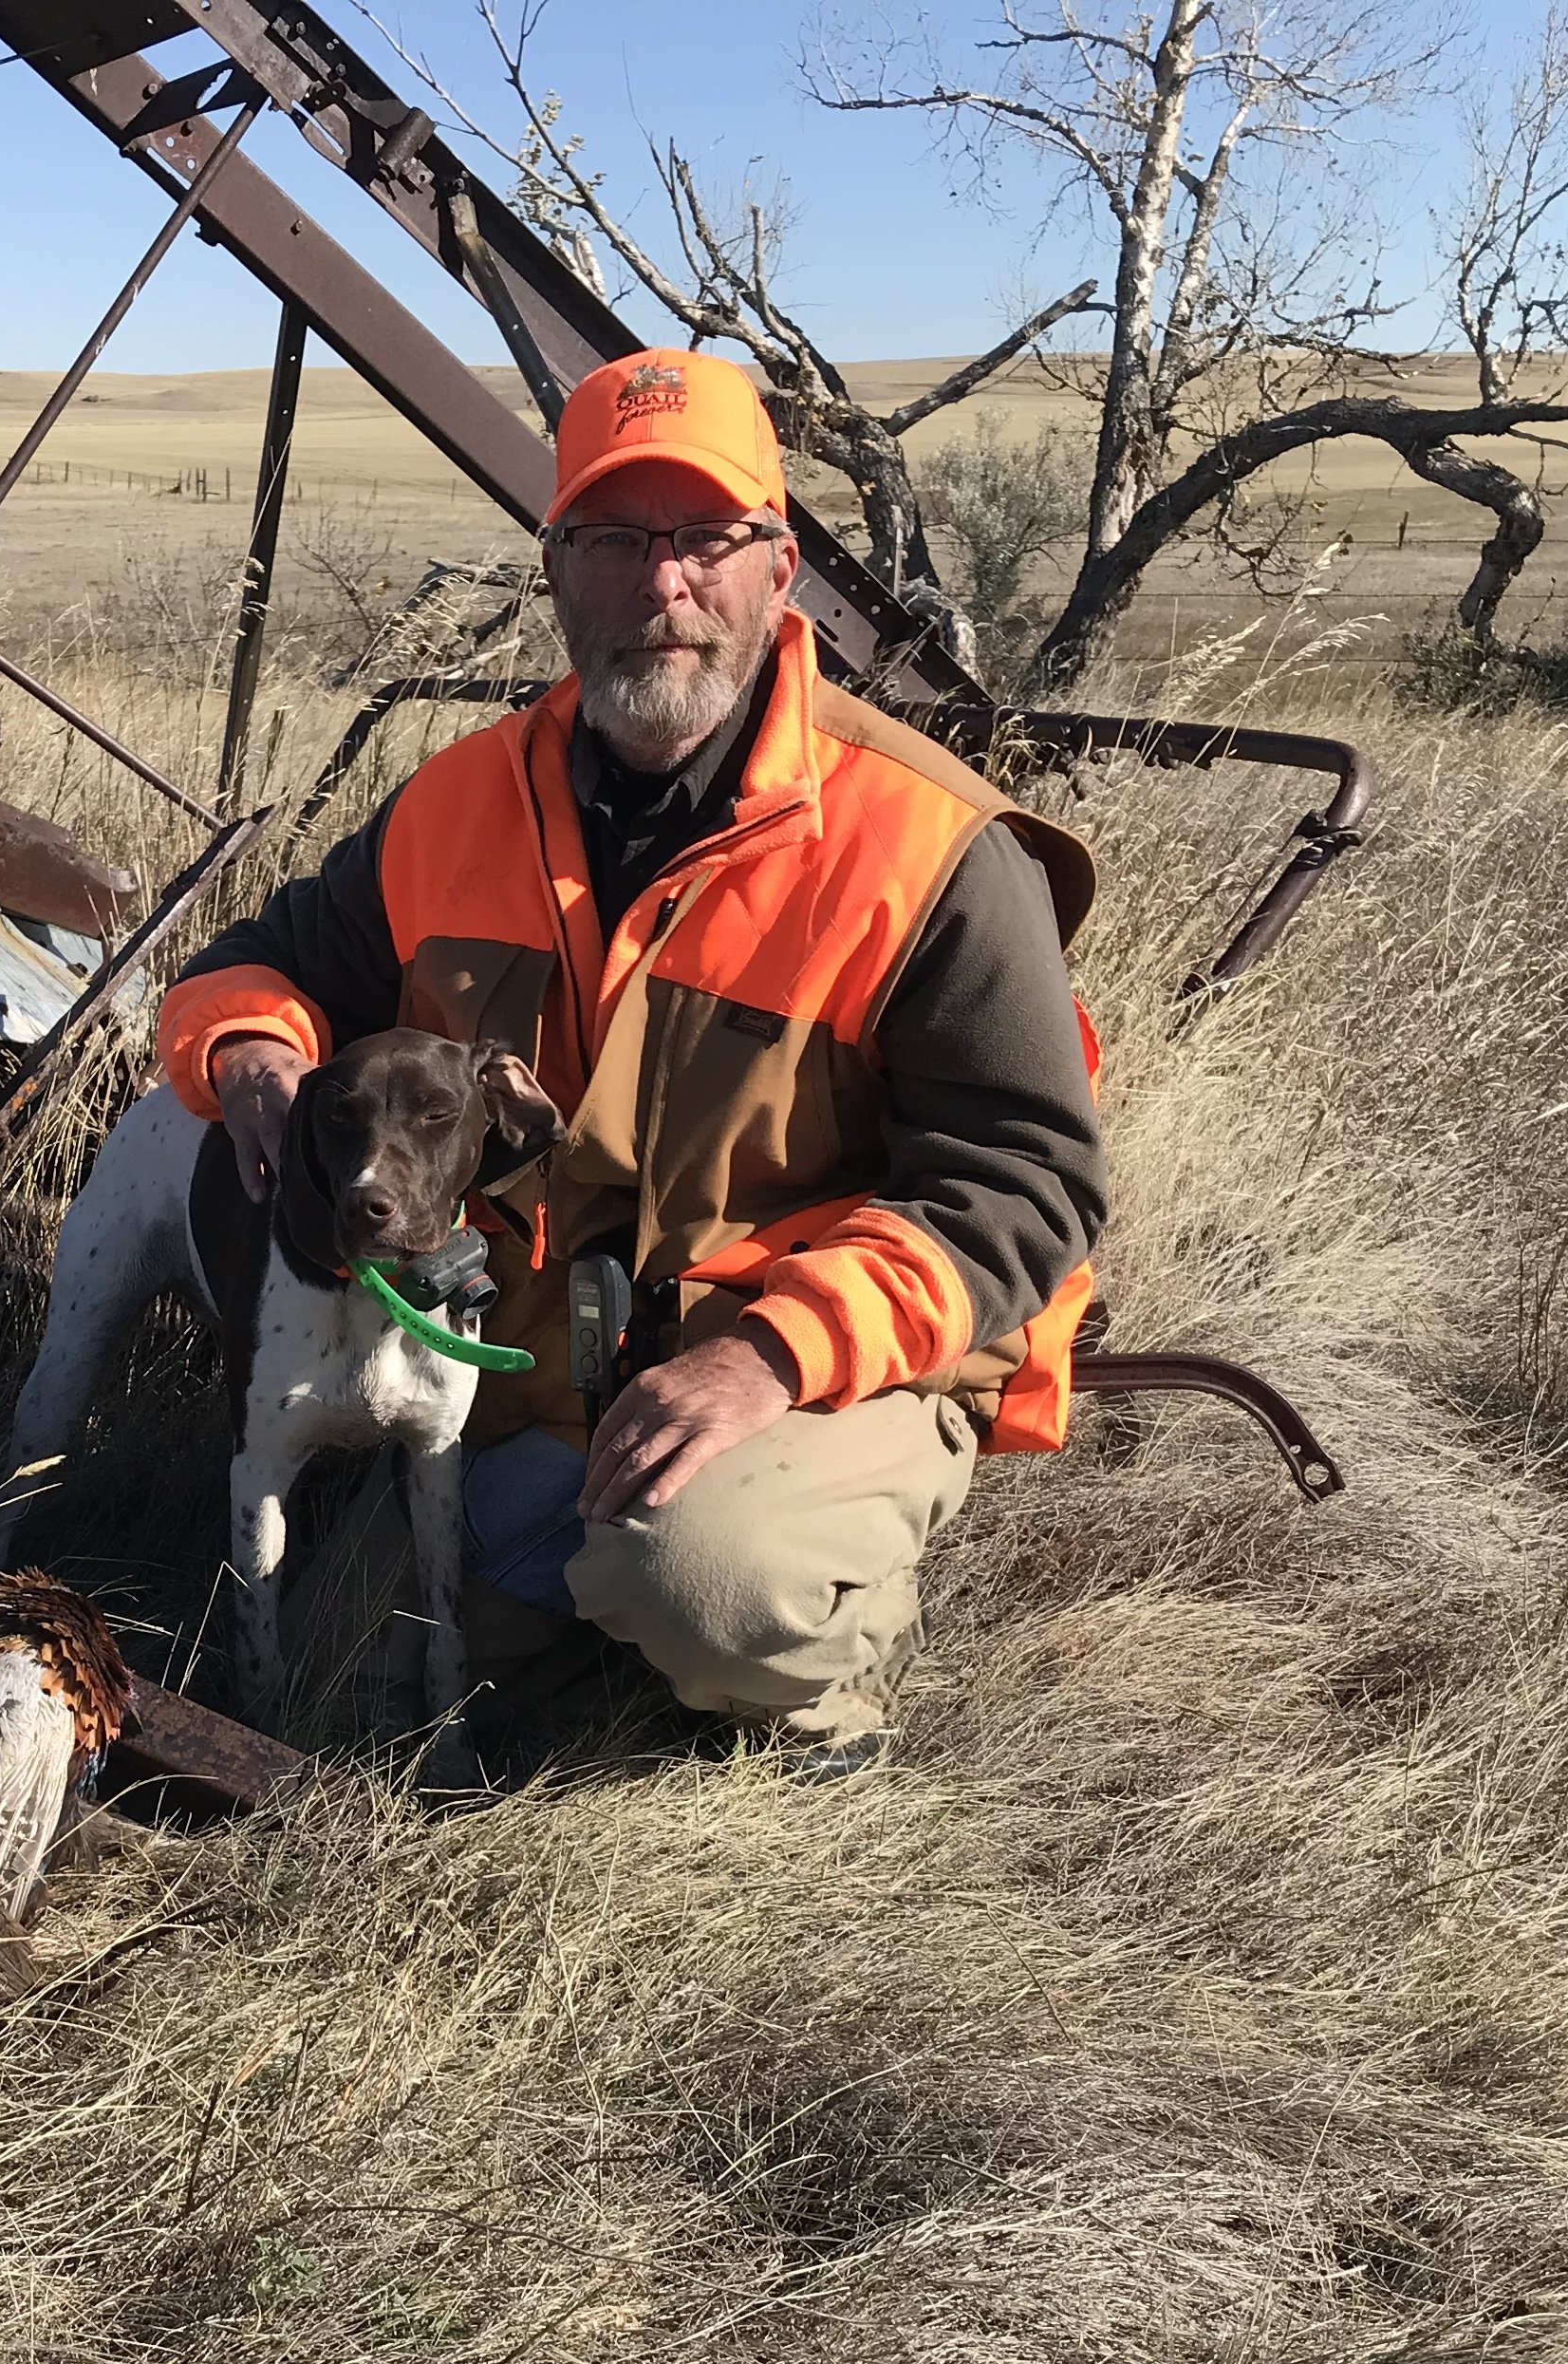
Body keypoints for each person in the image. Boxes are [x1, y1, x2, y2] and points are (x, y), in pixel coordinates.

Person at [154, 349, 1107, 1773]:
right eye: (612, 538)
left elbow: (1029, 1186)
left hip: (814, 1353)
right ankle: (607, 1590)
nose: (662, 584)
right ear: (558, 573)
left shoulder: (931, 849)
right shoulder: (462, 802)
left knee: (705, 1583)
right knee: (363, 1647)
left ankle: (810, 1680)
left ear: (779, 569)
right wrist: (244, 1057)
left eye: (706, 537)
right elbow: (258, 968)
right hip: (545, 1359)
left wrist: (769, 1362)